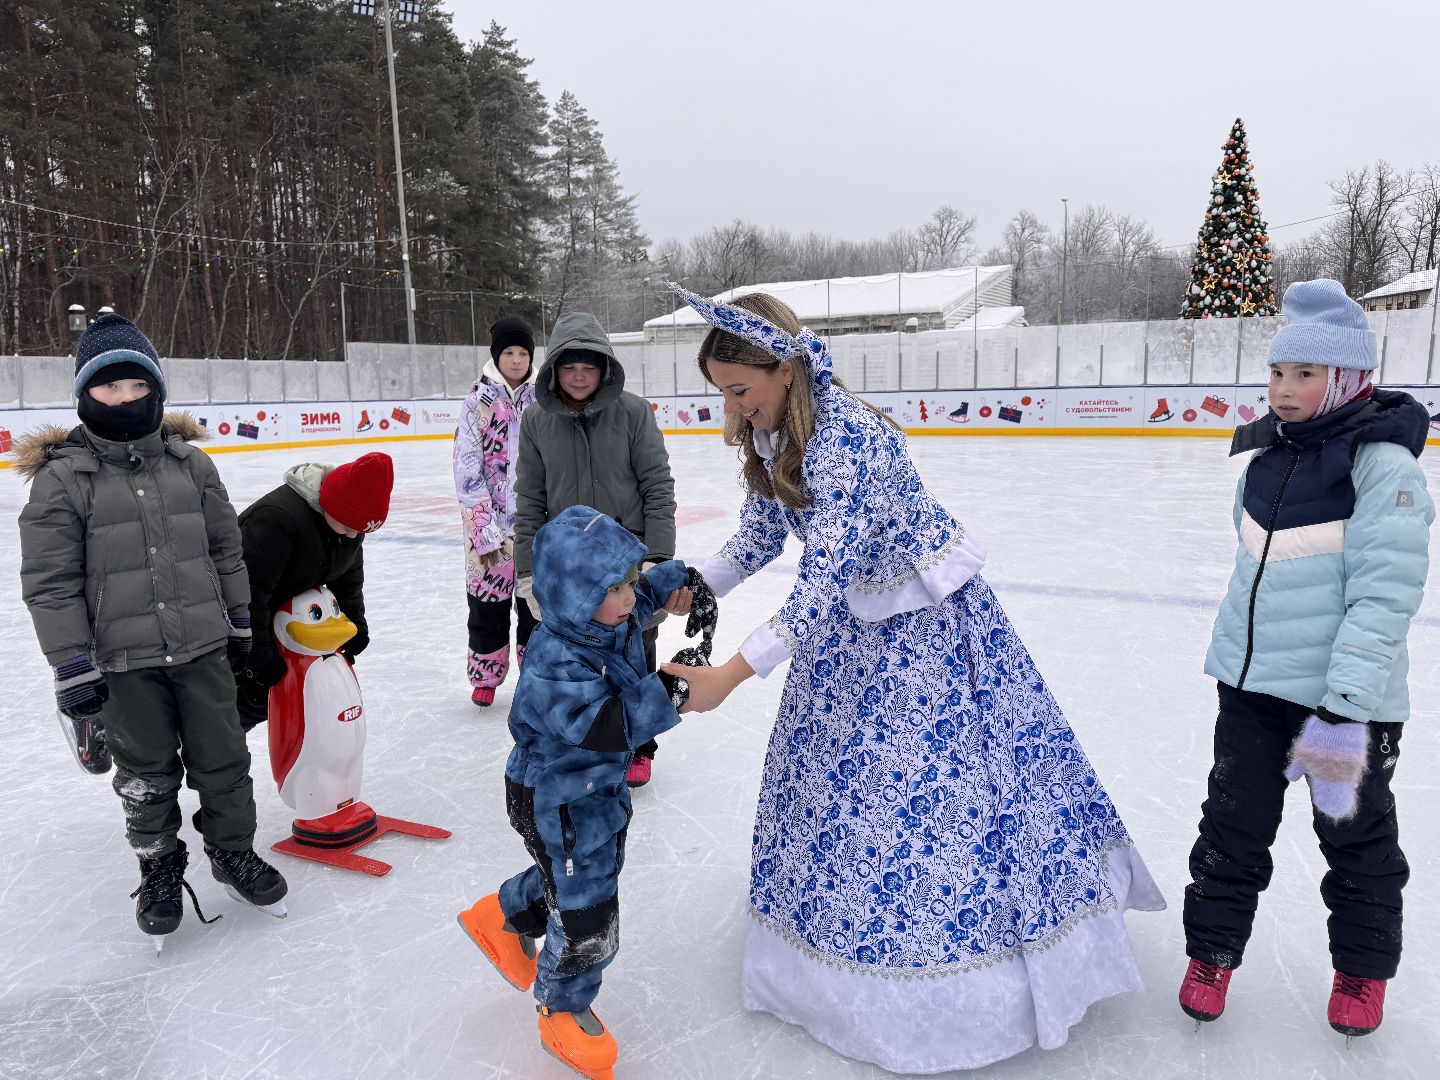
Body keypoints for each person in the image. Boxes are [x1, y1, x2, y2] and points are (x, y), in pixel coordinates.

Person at [660, 286, 1164, 1073]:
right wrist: (691, 582)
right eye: (722, 392)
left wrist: (729, 673)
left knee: (930, 796)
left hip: (925, 639)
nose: (732, 409)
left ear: (786, 371)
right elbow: (761, 534)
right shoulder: (770, 438)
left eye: (739, 391)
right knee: (833, 793)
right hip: (847, 642)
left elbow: (823, 581)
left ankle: (956, 979)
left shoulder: (849, 443)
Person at [1181, 279, 1433, 1039]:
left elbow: (1385, 597)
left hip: (1340, 706)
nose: (1284, 391)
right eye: (1277, 374)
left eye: (1305, 375)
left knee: (1355, 842)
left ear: (1347, 379)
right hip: (1252, 692)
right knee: (1230, 829)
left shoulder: (1384, 467)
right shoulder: (1268, 458)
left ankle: (1361, 971)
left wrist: (1345, 708)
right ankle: (1212, 954)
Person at [16, 313, 287, 947]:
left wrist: (242, 625)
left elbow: (227, 551)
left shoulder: (191, 466)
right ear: (85, 395)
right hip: (122, 661)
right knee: (145, 772)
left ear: (157, 390)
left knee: (225, 761)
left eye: (137, 386)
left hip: (202, 647)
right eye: (109, 388)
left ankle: (231, 852)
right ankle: (160, 865)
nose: (125, 398)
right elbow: (51, 584)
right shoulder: (62, 481)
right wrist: (72, 666)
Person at [456, 505, 693, 1080]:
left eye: (630, 581)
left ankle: (502, 913)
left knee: (585, 872)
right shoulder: (553, 661)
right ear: (576, 597)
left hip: (594, 792)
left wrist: (677, 581)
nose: (630, 598)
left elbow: (640, 594)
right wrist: (672, 691)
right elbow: (604, 723)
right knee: (588, 908)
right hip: (553, 797)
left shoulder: (609, 617)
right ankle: (563, 1005)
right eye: (616, 588)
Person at [512, 310, 682, 788]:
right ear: (554, 371)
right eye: (570, 366)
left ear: (605, 367)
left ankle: (639, 746)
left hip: (626, 565)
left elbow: (657, 488)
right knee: (578, 659)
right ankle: (584, 740)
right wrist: (527, 573)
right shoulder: (536, 421)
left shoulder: (633, 413)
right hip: (570, 574)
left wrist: (658, 559)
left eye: (590, 365)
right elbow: (530, 501)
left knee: (635, 652)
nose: (580, 375)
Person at [235, 452, 393, 731]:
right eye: (348, 527)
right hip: (237, 629)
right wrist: (256, 657)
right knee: (239, 707)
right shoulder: (276, 521)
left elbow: (349, 581)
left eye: (360, 531)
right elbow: (247, 595)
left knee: (271, 702)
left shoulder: (350, 522)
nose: (353, 536)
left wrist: (356, 625)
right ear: (332, 504)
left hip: (289, 626)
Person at [454, 316, 539, 707]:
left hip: (534, 526)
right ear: (496, 356)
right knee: (487, 608)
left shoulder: (543, 399)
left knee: (534, 607)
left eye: (523, 352)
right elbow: (466, 468)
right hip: (487, 529)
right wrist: (484, 530)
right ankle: (485, 676)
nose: (517, 360)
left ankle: (535, 675)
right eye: (509, 352)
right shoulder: (478, 402)